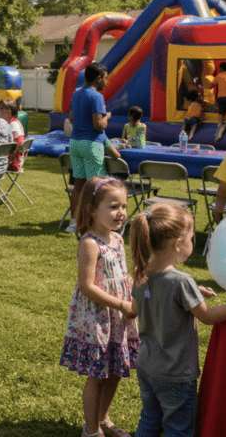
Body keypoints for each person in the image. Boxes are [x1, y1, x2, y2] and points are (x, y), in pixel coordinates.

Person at [129, 204, 226, 437]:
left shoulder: (142, 273)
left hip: (147, 365)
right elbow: (208, 316)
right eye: (191, 237)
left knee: (149, 419)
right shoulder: (181, 282)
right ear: (178, 244)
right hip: (175, 374)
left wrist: (193, 291)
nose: (192, 241)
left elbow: (145, 303)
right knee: (177, 429)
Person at [59, 177, 140, 437]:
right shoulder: (90, 244)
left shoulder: (117, 240)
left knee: (115, 371)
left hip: (119, 317)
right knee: (97, 375)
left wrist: (139, 289)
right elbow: (87, 286)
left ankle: (104, 418)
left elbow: (123, 276)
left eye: (124, 206)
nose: (121, 212)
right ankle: (91, 430)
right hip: (97, 318)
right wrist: (120, 303)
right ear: (92, 209)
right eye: (113, 207)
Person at [68, 63, 112, 234]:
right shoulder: (97, 96)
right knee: (96, 187)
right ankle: (93, 224)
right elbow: (98, 125)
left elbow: (71, 119)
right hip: (91, 145)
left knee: (78, 186)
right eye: (105, 78)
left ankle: (73, 223)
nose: (106, 82)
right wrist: (107, 117)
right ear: (98, 78)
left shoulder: (76, 94)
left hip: (75, 144)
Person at [0, 99, 26, 172]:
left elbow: (12, 148)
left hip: (12, 164)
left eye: (0, 108)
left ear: (8, 112)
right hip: (15, 161)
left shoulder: (13, 125)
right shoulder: (14, 122)